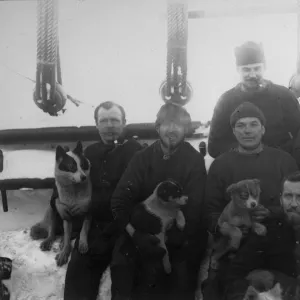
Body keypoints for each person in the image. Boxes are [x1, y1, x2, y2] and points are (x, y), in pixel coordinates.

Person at [110, 102, 208, 300]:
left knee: (178, 274)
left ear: (185, 130)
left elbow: (194, 206)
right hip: (141, 230)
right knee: (124, 267)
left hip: (179, 233)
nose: (172, 130)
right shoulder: (142, 159)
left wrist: (172, 237)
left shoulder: (194, 160)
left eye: (179, 125)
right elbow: (120, 201)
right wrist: (135, 234)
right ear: (158, 128)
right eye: (167, 124)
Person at [204, 101, 299, 299]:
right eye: (241, 125)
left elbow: (296, 205)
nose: (247, 130)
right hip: (236, 249)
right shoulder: (220, 165)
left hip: (279, 248)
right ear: (233, 131)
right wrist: (225, 228)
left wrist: (272, 212)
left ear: (263, 129)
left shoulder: (283, 160)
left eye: (253, 124)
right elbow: (209, 212)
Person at [63, 101, 143, 300]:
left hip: (127, 227)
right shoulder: (87, 154)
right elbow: (69, 183)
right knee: (78, 271)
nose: (109, 125)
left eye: (115, 120)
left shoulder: (138, 152)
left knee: (125, 272)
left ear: (124, 123)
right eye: (104, 120)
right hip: (96, 227)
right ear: (96, 125)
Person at [208, 41, 300, 161]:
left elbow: (299, 133)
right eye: (246, 69)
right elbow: (214, 146)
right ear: (238, 70)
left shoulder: (284, 95)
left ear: (264, 67)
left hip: (279, 165)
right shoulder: (225, 101)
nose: (252, 74)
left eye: (257, 68)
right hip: (240, 165)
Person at [222, 171, 300, 300]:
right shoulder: (267, 229)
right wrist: (242, 295)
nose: (293, 204)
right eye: (288, 196)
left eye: (299, 197)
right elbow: (235, 275)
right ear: (280, 199)